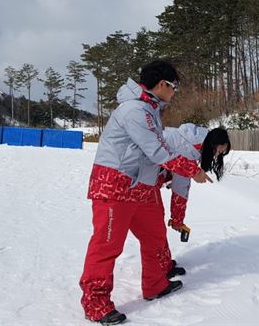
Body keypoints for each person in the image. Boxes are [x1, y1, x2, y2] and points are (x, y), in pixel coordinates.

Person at [80, 60, 199, 325]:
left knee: (155, 235)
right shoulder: (134, 110)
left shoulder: (150, 109)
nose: (175, 91)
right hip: (115, 186)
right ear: (161, 85)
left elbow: (153, 153)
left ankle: (155, 284)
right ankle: (95, 302)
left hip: (141, 187)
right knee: (107, 245)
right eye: (174, 86)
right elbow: (157, 151)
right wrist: (192, 168)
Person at [154, 125, 230, 247]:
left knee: (153, 225)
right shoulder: (188, 148)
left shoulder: (190, 142)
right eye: (219, 151)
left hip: (143, 181)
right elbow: (181, 188)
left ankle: (161, 265)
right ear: (213, 144)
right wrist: (177, 221)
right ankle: (159, 264)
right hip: (135, 180)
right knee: (154, 223)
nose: (216, 156)